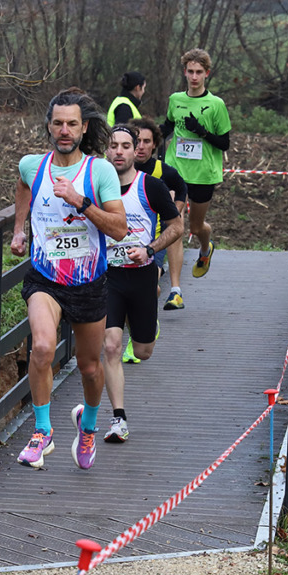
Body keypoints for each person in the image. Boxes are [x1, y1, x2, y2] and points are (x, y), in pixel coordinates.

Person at [10, 88, 128, 471]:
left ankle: (88, 426)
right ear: (48, 126)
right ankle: (42, 432)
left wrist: (80, 202)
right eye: (58, 123)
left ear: (84, 127)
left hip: (89, 283)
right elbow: (23, 187)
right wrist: (18, 230)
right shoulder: (32, 165)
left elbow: (120, 229)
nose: (64, 130)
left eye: (72, 124)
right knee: (42, 348)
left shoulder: (100, 171)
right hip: (45, 279)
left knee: (90, 367)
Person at [101, 125, 183, 441]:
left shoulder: (150, 186)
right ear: (106, 151)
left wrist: (149, 248)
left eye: (125, 146)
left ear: (136, 150)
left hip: (143, 274)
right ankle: (118, 419)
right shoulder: (96, 187)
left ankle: (145, 324)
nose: (119, 151)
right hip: (108, 276)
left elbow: (176, 226)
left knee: (143, 350)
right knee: (110, 345)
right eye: (113, 145)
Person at [162, 48, 230, 283]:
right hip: (176, 169)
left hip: (203, 174)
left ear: (206, 74)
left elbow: (224, 143)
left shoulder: (216, 104)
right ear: (184, 72)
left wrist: (200, 131)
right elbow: (167, 127)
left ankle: (205, 248)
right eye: (190, 71)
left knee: (196, 226)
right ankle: (176, 288)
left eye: (198, 72)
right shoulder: (175, 99)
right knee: (174, 226)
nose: (194, 77)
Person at [131, 116, 188, 312]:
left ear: (154, 144)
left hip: (153, 240)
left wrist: (174, 214)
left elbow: (181, 188)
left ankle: (145, 326)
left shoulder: (163, 171)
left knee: (149, 286)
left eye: (146, 141)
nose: (140, 146)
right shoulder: (116, 168)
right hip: (122, 240)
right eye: (136, 141)